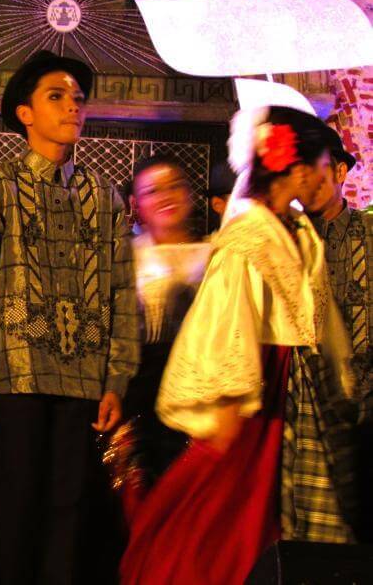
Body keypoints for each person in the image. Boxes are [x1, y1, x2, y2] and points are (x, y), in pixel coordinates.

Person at [120, 106, 360, 585]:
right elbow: (228, 319)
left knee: (297, 508)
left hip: (296, 385)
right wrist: (229, 399)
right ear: (296, 168)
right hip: (257, 390)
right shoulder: (247, 237)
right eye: (319, 167)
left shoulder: (296, 229)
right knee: (231, 515)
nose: (325, 180)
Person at [0, 50, 137, 584]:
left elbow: (123, 292)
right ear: (25, 113)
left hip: (83, 381)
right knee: (13, 513)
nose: (73, 106)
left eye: (77, 97)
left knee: (69, 515)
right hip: (14, 378)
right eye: (56, 96)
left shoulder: (104, 195)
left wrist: (117, 377)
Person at [105, 155, 210, 513]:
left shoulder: (216, 255)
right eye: (152, 191)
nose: (165, 196)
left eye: (174, 186)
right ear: (137, 204)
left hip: (201, 392)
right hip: (140, 392)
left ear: (190, 194)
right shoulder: (123, 259)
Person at [298, 124, 372, 542]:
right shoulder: (289, 239)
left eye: (316, 168)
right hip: (309, 403)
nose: (306, 180)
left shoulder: (369, 233)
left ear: (341, 172)